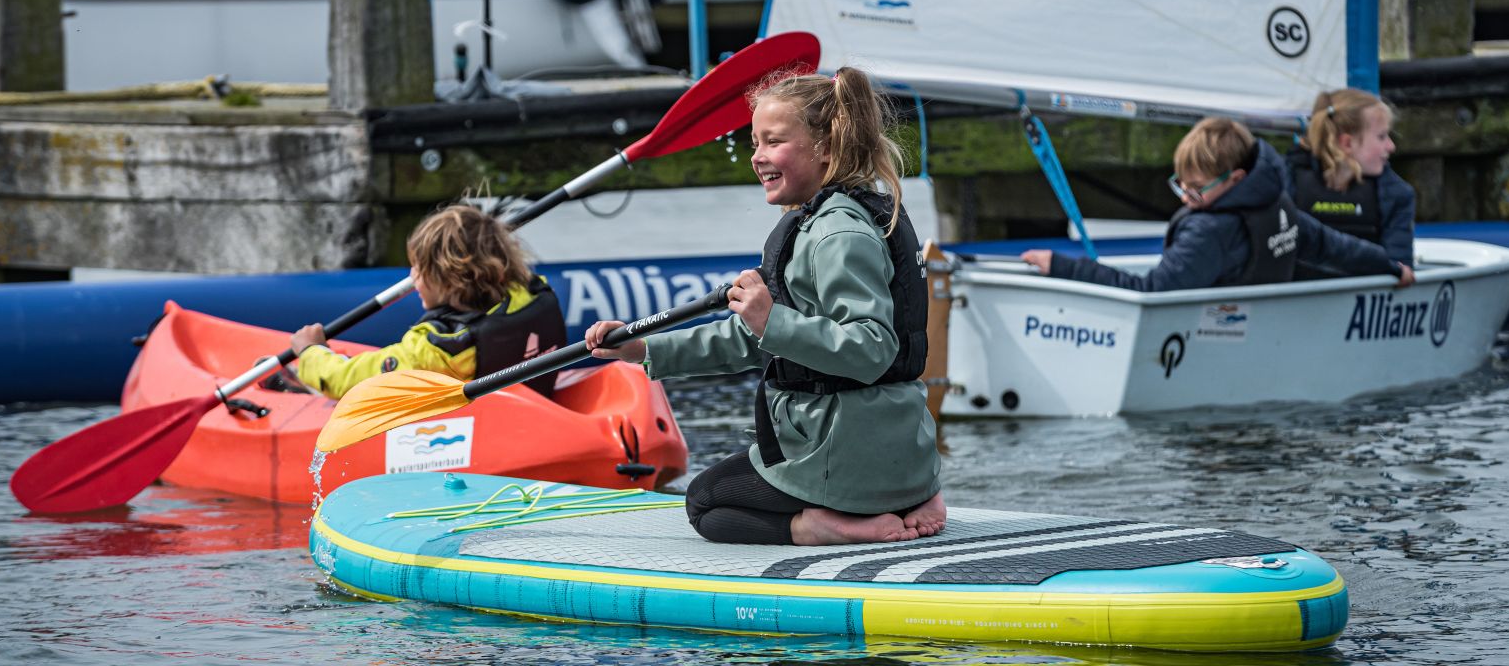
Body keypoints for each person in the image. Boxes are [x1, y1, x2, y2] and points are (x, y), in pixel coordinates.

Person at [585, 66, 945, 546]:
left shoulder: (838, 233)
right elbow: (751, 340)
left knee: (706, 502)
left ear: (827, 148)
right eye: (754, 143)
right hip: (901, 453)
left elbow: (872, 348)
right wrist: (642, 348)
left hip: (848, 452)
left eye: (773, 142)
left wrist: (770, 320)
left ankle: (820, 526)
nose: (757, 157)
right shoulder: (836, 218)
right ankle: (910, 494)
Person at [1019, 117, 1415, 290]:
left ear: (1237, 180)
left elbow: (1153, 289)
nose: (1187, 199)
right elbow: (1334, 247)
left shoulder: (1210, 230)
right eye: (1182, 187)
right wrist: (1388, 265)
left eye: (1196, 189)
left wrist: (1063, 266)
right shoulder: (1279, 210)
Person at [279, 204, 566, 400]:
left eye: (419, 269)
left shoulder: (439, 349)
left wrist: (312, 351)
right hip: (531, 404)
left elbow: (352, 382)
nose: (412, 277)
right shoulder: (531, 293)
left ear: (448, 279)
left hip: (473, 433)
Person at [1283, 88, 1416, 272]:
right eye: (1381, 136)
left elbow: (1401, 267)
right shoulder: (1286, 182)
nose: (1391, 146)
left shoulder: (1396, 194)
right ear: (1347, 143)